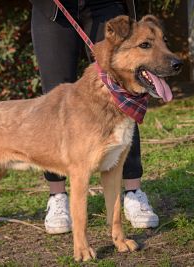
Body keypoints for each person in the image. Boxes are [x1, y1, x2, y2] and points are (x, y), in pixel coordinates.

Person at [30, 0, 159, 234]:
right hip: (53, 9)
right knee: (54, 97)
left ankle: (133, 192)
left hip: (103, 4)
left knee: (125, 88)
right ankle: (57, 195)